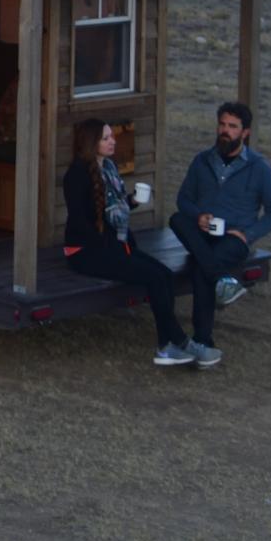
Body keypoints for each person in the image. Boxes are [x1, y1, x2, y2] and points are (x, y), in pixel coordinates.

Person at [61, 118, 196, 367]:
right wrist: (111, 248)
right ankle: (173, 343)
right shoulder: (77, 175)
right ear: (91, 143)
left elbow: (114, 210)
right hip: (86, 251)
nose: (112, 141)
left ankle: (171, 343)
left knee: (164, 274)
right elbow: (81, 222)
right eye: (106, 138)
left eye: (112, 136)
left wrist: (133, 201)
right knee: (154, 277)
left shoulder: (109, 169)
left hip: (114, 244)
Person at [173, 100, 271, 364]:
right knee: (178, 219)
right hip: (203, 233)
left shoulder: (259, 168)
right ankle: (224, 281)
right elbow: (184, 200)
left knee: (202, 268)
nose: (225, 131)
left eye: (233, 126)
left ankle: (202, 342)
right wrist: (198, 216)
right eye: (222, 124)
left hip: (234, 238)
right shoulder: (202, 161)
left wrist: (247, 234)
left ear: (245, 132)